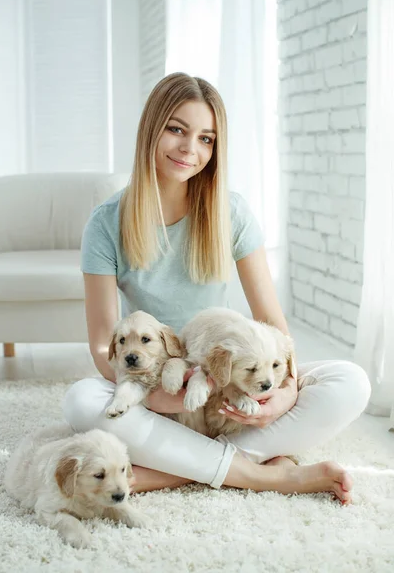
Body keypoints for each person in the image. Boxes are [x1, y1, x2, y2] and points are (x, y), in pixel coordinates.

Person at [63, 73, 371, 504]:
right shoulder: (105, 223)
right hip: (162, 386)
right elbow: (102, 346)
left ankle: (178, 471)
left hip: (227, 386)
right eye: (176, 129)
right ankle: (265, 474)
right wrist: (158, 400)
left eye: (206, 138)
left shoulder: (232, 211)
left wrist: (281, 396)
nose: (191, 148)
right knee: (80, 402)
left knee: (351, 381)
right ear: (151, 129)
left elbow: (272, 325)